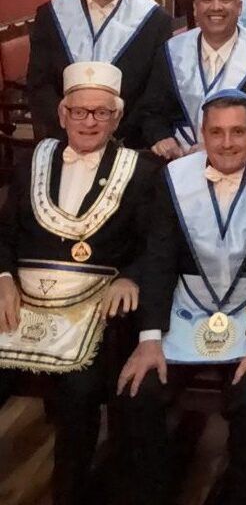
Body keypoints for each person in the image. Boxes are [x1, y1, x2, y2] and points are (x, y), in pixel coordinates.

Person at [117, 89, 246, 505]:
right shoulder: (172, 178)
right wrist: (149, 338)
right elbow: (159, 258)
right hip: (186, 308)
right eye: (216, 132)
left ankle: (240, 492)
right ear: (202, 133)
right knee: (138, 391)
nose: (227, 143)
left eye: (238, 132)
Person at [0, 61, 159, 505]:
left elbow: (156, 246)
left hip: (91, 309)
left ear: (117, 118)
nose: (90, 121)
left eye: (101, 113)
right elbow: (4, 233)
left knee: (81, 389)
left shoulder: (141, 172)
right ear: (63, 114)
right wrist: (3, 278)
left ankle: (67, 493)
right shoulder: (32, 161)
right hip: (19, 303)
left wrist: (130, 277)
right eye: (80, 111)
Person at [27, 0, 173, 146]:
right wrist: (69, 129)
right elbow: (40, 84)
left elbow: (155, 94)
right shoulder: (51, 15)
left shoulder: (155, 20)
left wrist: (115, 133)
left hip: (127, 143)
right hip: (64, 140)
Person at [139, 0, 246, 159]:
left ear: (239, 7)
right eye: (207, 0)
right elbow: (151, 112)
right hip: (177, 159)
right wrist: (161, 137)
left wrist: (220, 147)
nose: (216, 7)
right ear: (195, 8)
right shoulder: (170, 51)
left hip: (240, 160)